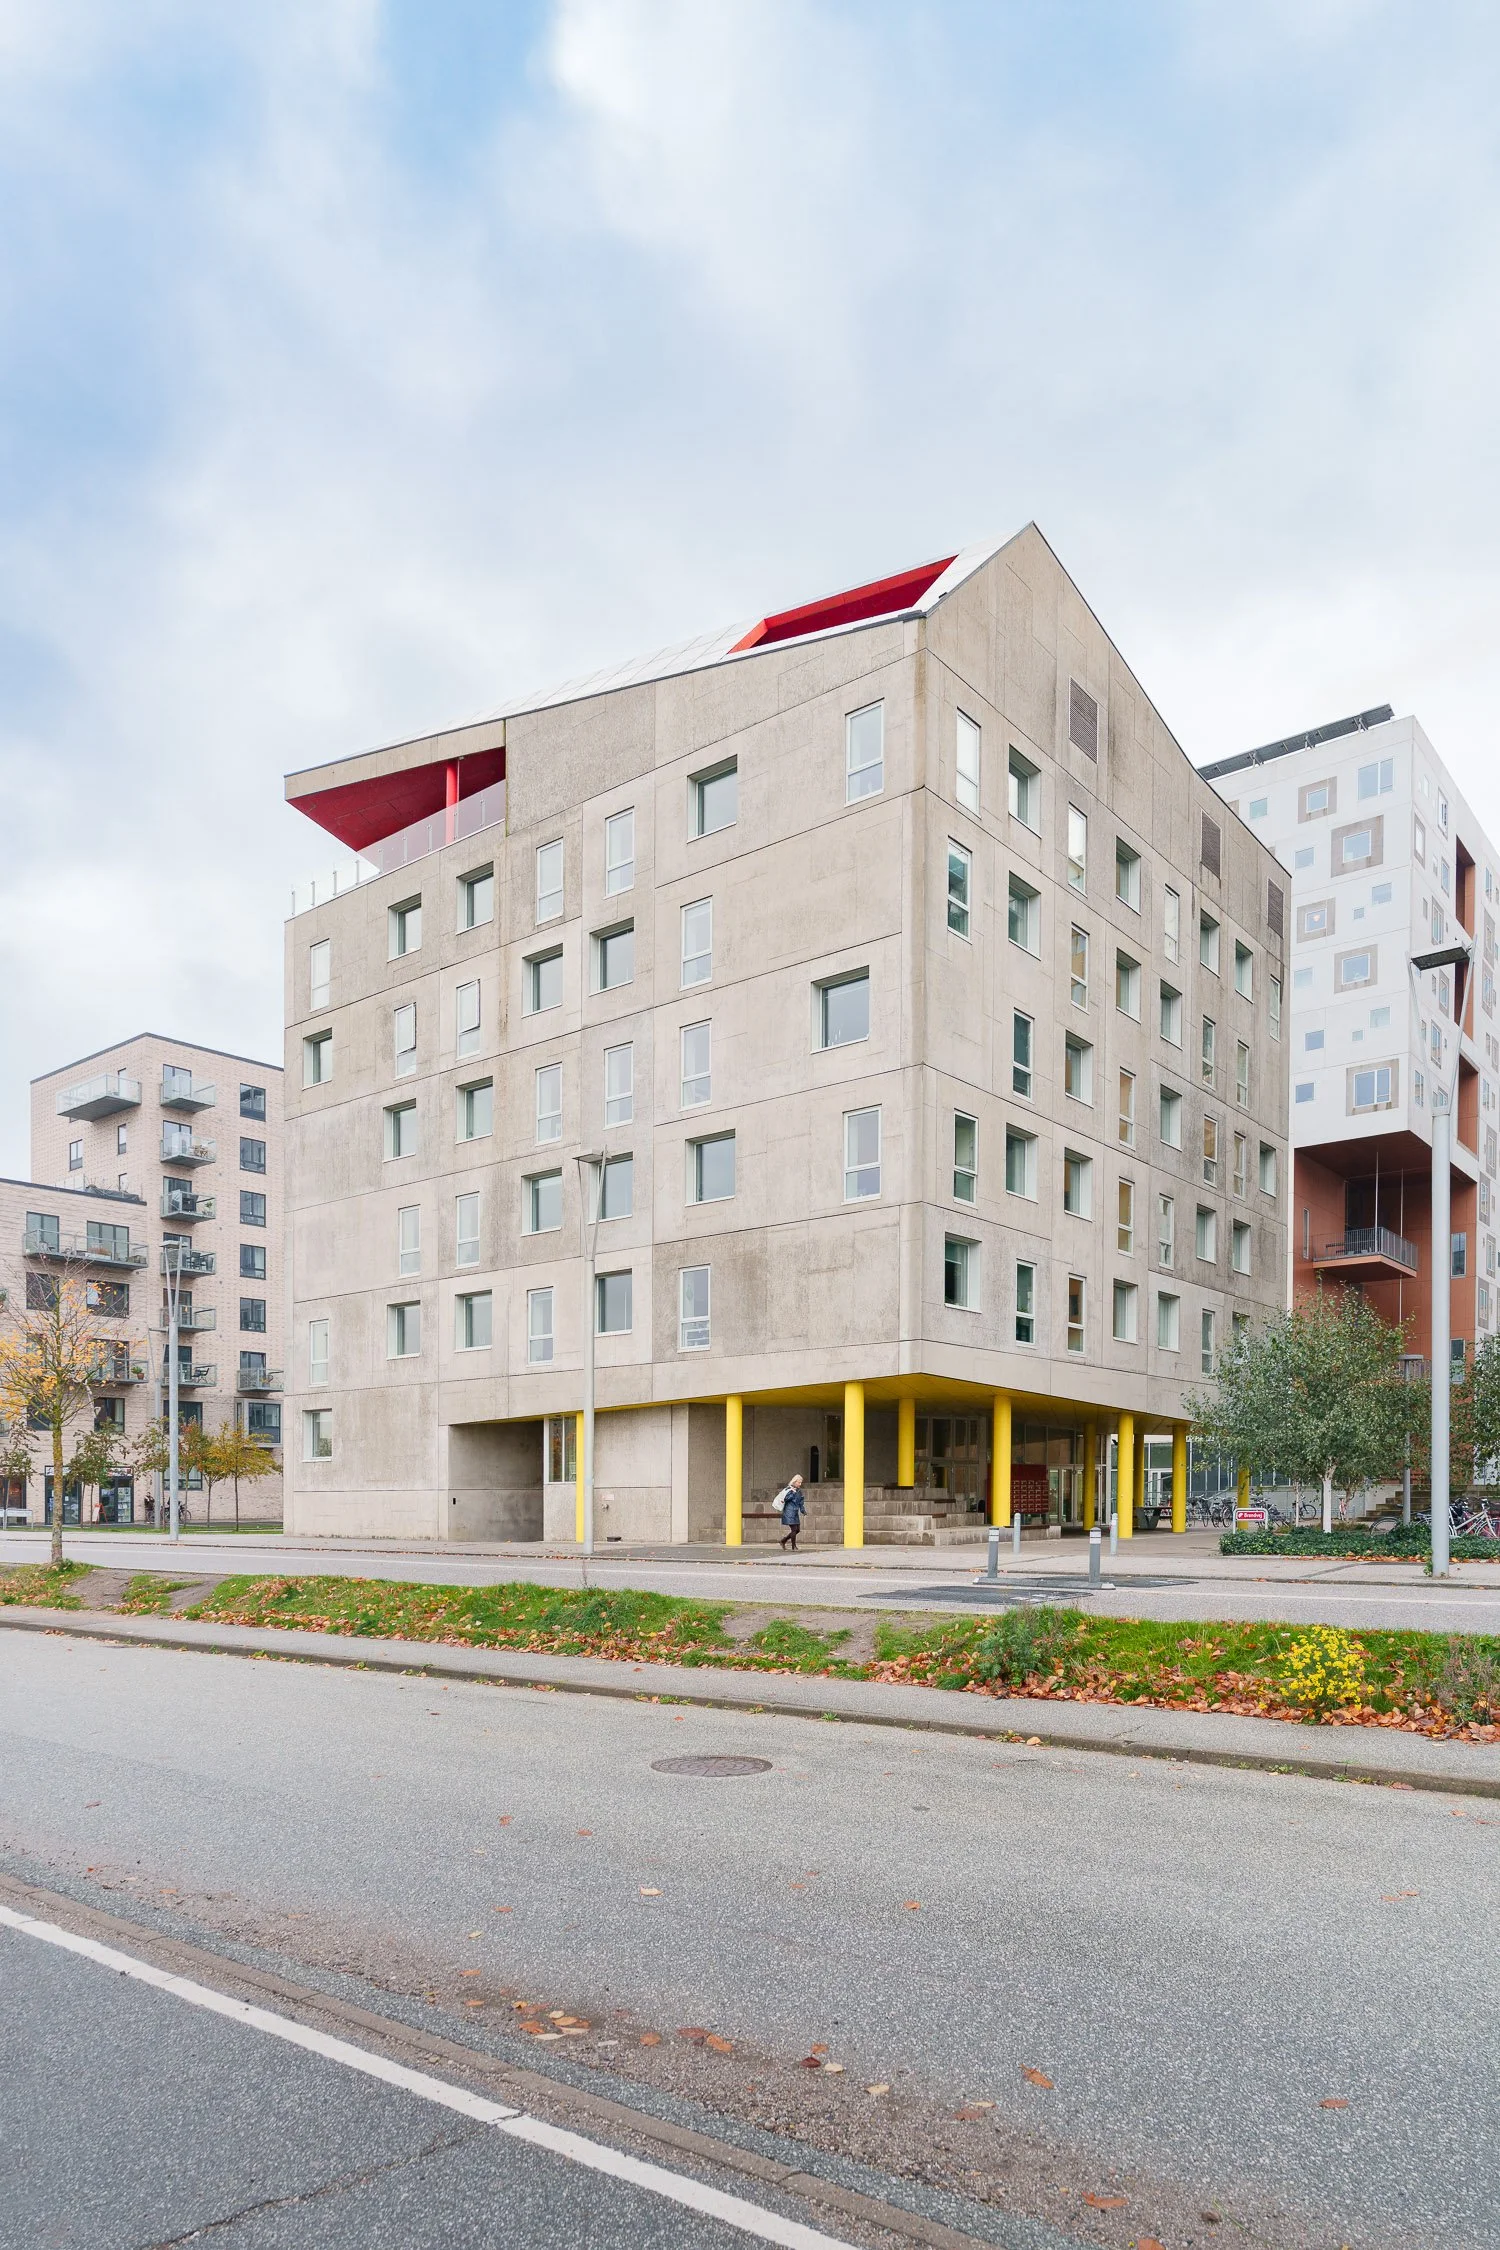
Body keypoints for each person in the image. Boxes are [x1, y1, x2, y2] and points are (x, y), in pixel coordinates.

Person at [777, 1473, 807, 1552]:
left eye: (800, 1482)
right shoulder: (789, 1489)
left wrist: (803, 1510)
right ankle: (794, 1547)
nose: (800, 1484)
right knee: (794, 1529)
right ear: (794, 1481)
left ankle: (783, 1541)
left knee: (797, 1530)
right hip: (789, 1512)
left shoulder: (799, 1491)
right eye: (799, 1482)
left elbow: (801, 1501)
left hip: (795, 1512)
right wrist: (792, 1493)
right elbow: (786, 1499)